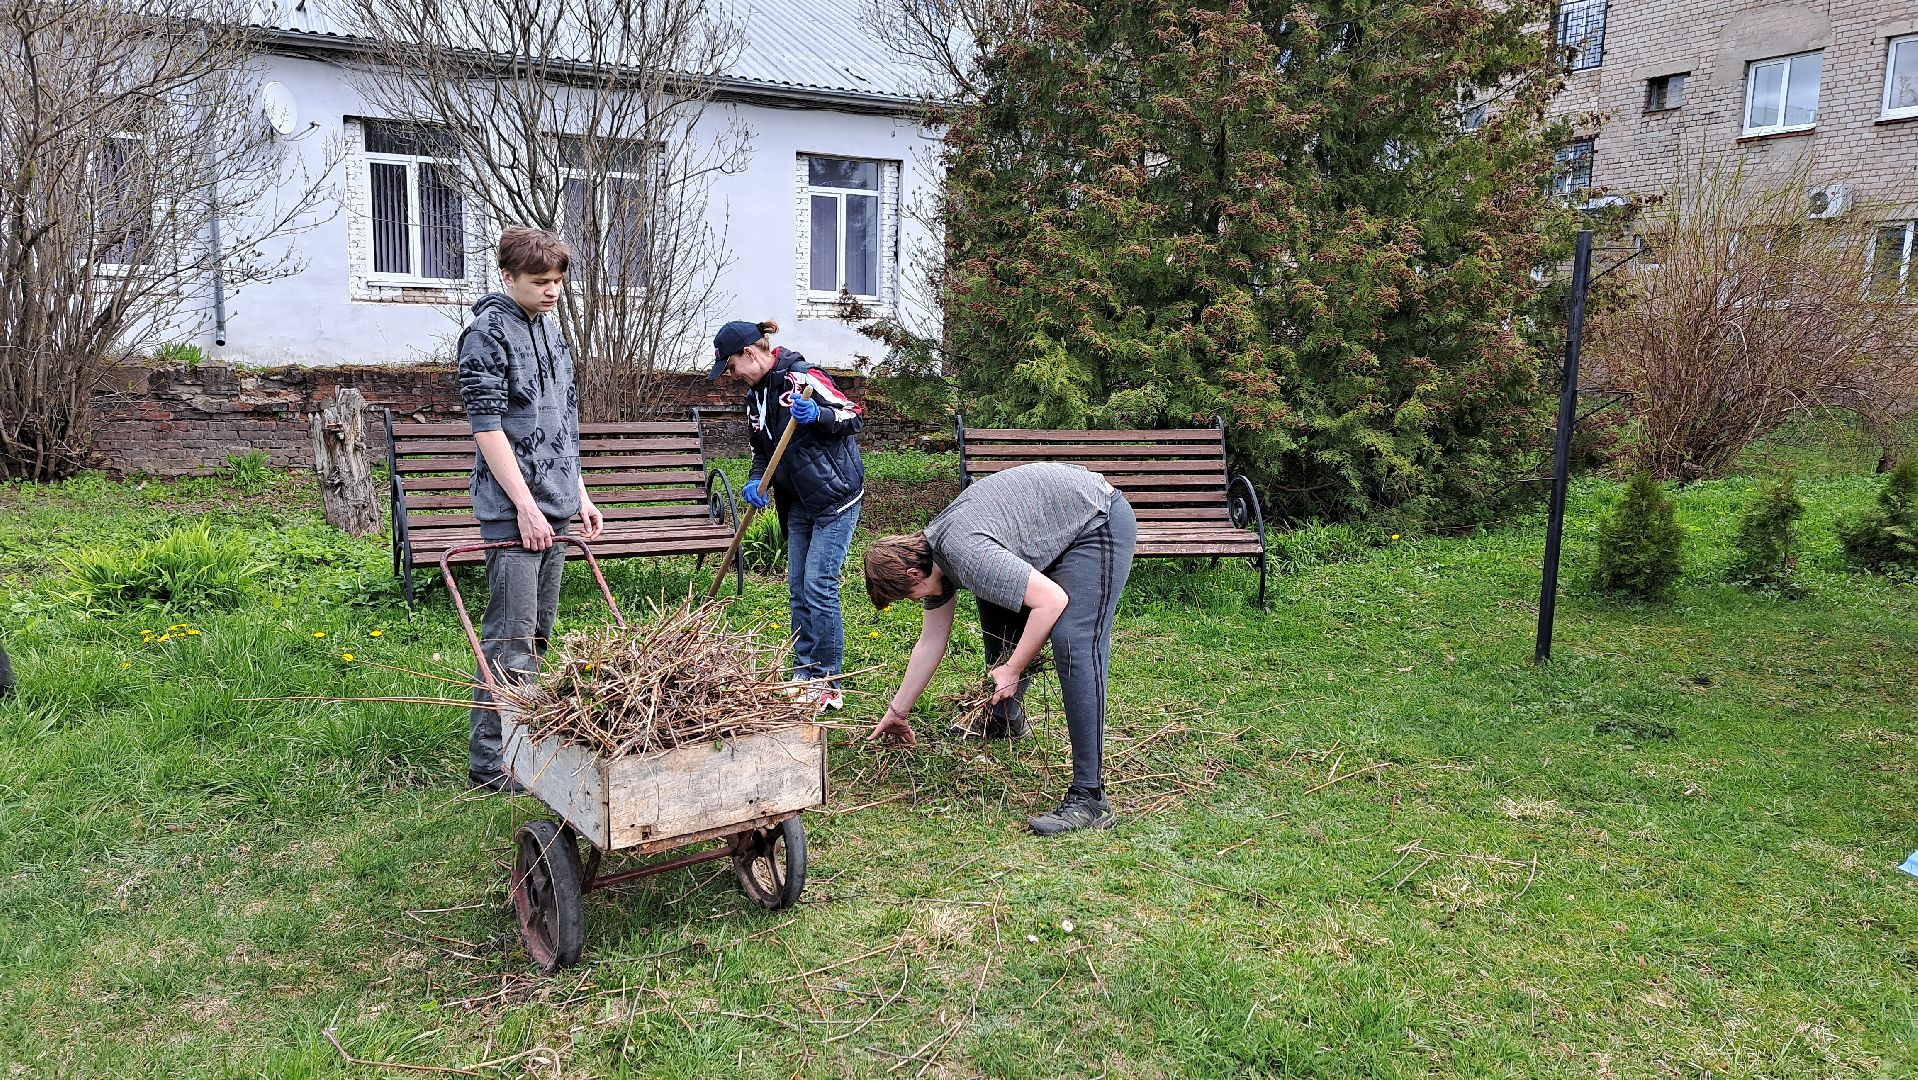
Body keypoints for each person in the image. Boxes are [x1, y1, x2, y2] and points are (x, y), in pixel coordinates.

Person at [862, 462, 1136, 835]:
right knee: (999, 609)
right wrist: (898, 712)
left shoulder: (965, 552)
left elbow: (1051, 601)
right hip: (1049, 528)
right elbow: (930, 642)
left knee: (1074, 639)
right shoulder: (936, 556)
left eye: (909, 596)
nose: (915, 601)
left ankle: (1090, 797)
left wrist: (1013, 668)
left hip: (1095, 520)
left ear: (913, 574)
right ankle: (1005, 719)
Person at [460, 226, 603, 792]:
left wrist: (580, 494)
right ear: (507, 277)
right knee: (509, 637)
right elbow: (487, 428)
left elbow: (562, 426)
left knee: (539, 633)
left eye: (559, 281)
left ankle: (527, 748)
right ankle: (493, 765)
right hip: (513, 510)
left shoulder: (551, 331)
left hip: (556, 504)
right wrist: (523, 506)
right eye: (540, 282)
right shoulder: (486, 335)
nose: (552, 291)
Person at [709, 319, 865, 710]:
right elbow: (762, 451)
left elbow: (853, 416)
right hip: (797, 502)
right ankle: (804, 669)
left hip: (835, 499)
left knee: (818, 586)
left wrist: (819, 415)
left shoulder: (801, 377)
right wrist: (756, 480)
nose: (731, 375)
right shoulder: (755, 397)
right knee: (797, 588)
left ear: (749, 353)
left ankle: (829, 679)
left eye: (730, 366)